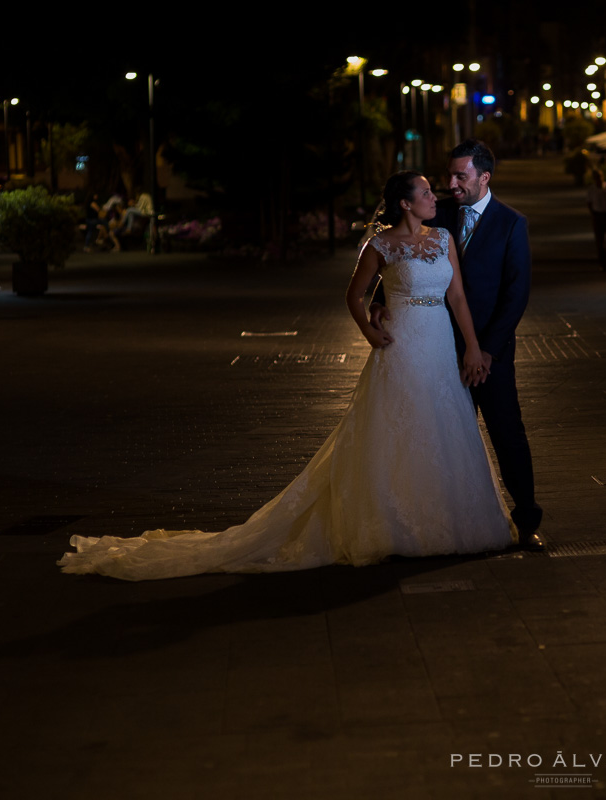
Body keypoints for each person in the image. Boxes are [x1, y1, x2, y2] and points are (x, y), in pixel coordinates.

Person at [58, 171, 516, 580]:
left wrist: (473, 346)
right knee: (400, 429)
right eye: (425, 192)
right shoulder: (381, 245)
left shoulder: (442, 240)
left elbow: (458, 299)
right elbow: (355, 296)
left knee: (442, 428)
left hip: (438, 343)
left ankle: (445, 521)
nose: (434, 196)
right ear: (404, 202)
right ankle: (396, 526)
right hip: (402, 348)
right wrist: (369, 332)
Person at [372, 139, 544, 551]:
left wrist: (484, 350)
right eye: (448, 175)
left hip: (490, 353)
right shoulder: (437, 213)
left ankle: (527, 520)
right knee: (438, 437)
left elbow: (516, 294)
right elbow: (400, 260)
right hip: (431, 349)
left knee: (507, 433)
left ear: (484, 177)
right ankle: (432, 522)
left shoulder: (510, 223)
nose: (451, 183)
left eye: (460, 176)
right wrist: (380, 302)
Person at [586, 169, 606, 271]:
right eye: (597, 177)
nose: (599, 178)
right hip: (598, 215)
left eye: (600, 176)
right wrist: (593, 215)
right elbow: (589, 203)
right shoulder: (592, 189)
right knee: (600, 241)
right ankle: (602, 263)